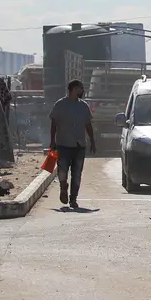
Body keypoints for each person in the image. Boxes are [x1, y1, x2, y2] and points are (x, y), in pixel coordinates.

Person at [50, 79, 97, 209]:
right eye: (80, 88)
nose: (82, 90)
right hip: (63, 144)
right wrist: (52, 141)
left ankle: (73, 199)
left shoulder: (84, 106)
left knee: (77, 174)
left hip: (79, 146)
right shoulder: (60, 105)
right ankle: (63, 187)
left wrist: (92, 142)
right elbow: (54, 124)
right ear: (74, 89)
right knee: (62, 171)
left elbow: (88, 125)